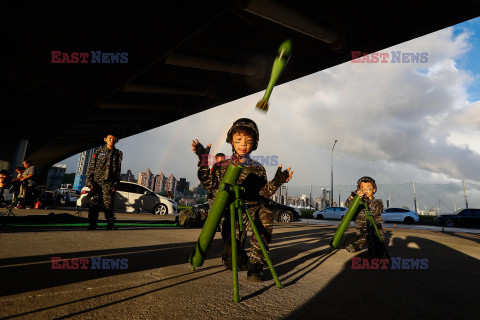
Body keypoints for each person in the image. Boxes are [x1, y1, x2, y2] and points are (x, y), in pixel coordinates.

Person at [192, 118, 293, 282]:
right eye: (238, 140)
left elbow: (264, 193)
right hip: (229, 212)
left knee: (265, 215)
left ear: (254, 144)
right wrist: (203, 160)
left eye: (248, 141)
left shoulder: (258, 168)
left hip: (251, 209)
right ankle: (239, 257)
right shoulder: (223, 164)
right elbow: (209, 183)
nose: (243, 144)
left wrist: (277, 181)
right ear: (231, 141)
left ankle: (256, 265)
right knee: (235, 261)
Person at [86, 134, 123, 230]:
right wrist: (90, 183)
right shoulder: (99, 151)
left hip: (109, 183)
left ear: (117, 141)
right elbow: (91, 167)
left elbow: (118, 170)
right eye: (110, 138)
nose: (112, 140)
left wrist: (115, 184)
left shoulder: (118, 153)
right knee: (94, 203)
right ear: (105, 139)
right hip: (97, 182)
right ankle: (92, 224)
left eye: (114, 139)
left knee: (109, 204)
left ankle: (110, 224)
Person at [343, 176, 385, 254]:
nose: (365, 189)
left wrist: (368, 201)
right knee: (351, 248)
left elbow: (377, 210)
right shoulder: (358, 202)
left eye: (368, 187)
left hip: (375, 232)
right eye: (362, 187)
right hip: (362, 233)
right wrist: (353, 195)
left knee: (377, 252)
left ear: (374, 190)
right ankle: (351, 238)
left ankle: (374, 246)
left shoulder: (378, 202)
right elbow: (348, 204)